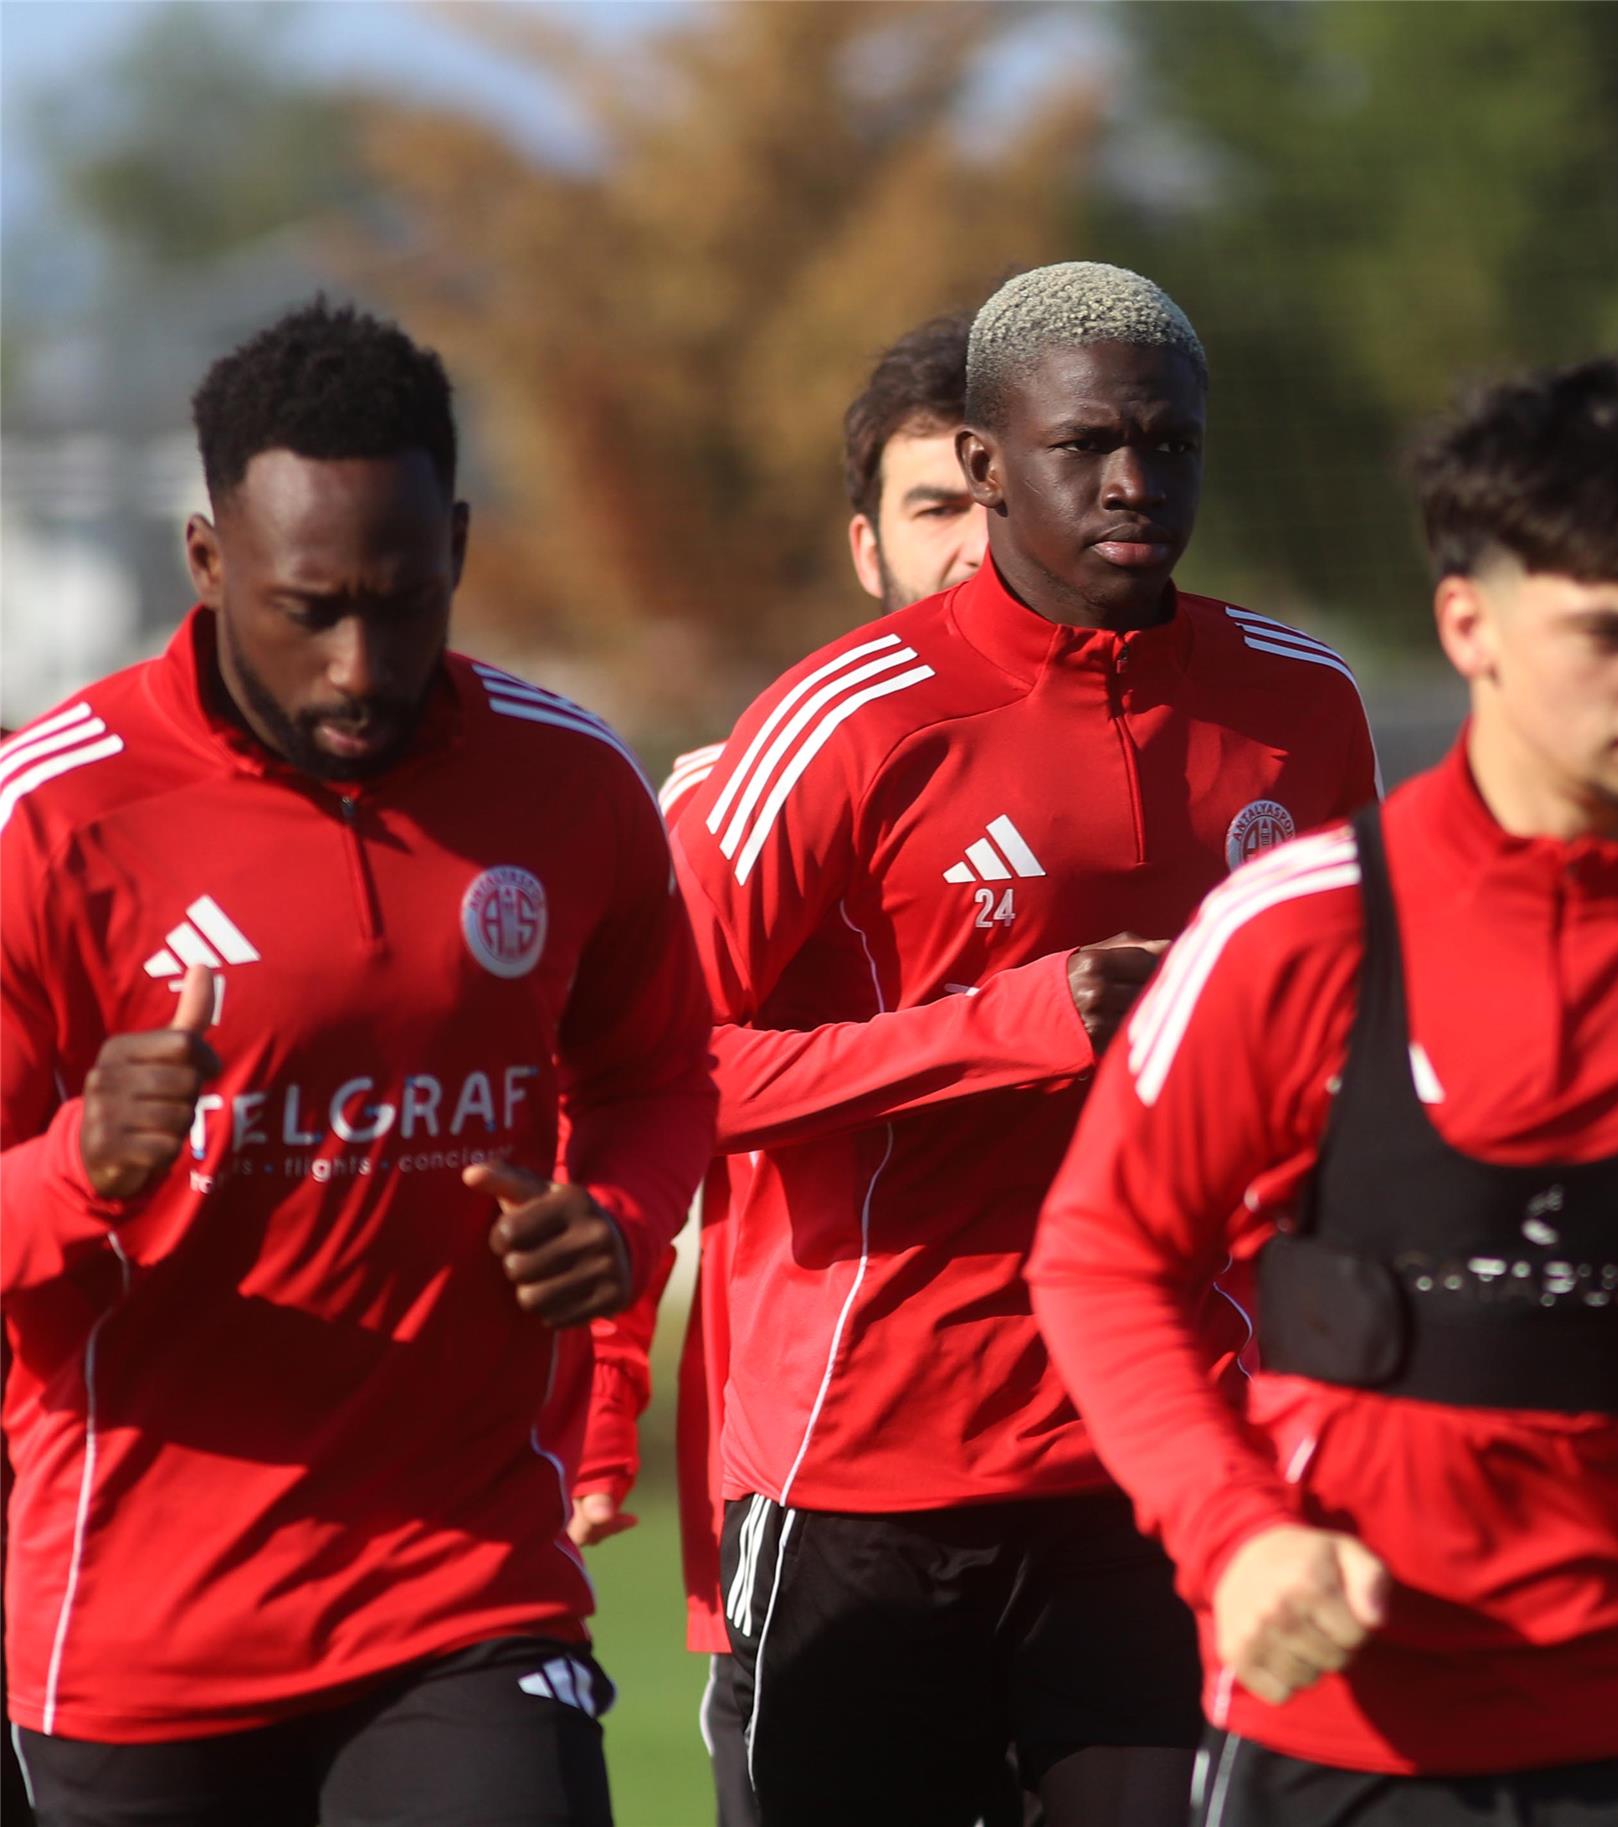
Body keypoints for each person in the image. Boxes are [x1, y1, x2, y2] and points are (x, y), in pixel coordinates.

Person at [1029, 354, 1618, 1827]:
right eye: (1613, 634)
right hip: (1348, 1736)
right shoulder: (1290, 933)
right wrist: (1235, 1533)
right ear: (1469, 626)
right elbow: (1101, 1258)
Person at [669, 261, 1378, 1827]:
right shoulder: (847, 721)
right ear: (987, 464)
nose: (1136, 483)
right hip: (874, 1454)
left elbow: (1353, 1048)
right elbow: (645, 1073)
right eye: (1089, 446)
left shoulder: (1301, 706)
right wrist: (1009, 1027)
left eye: (1171, 445)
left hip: (1160, 1435)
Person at [0, 299, 716, 1826]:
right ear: (208, 561)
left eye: (402, 604)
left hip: (463, 1586)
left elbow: (658, 1076)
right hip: (142, 1625)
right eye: (308, 608)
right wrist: (79, 1168)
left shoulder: (569, 783)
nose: (358, 666)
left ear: (456, 544)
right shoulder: (52, 820)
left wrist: (617, 1220)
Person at [574, 310, 992, 1827]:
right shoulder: (768, 783)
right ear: (866, 547)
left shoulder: (1202, 751)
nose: (973, 546)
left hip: (1111, 1481)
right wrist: (604, 1397)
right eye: (934, 507)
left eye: (997, 500)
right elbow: (637, 1090)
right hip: (827, 1475)